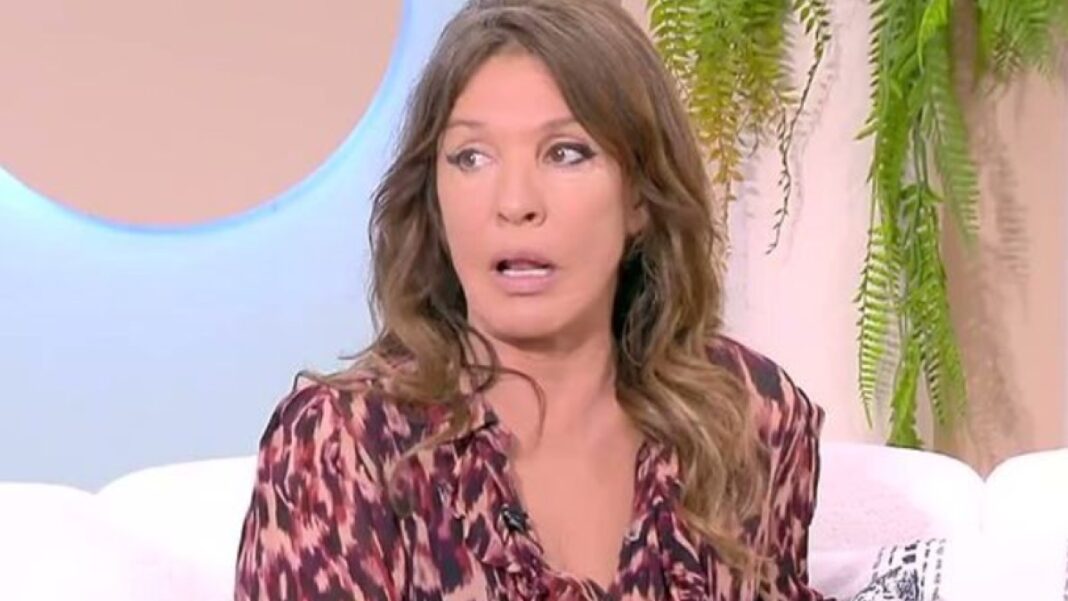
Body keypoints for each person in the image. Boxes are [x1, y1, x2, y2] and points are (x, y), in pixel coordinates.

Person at [234, 0, 827, 599]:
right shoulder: (341, 447)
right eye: (472, 157)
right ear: (434, 201)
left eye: (565, 152)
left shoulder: (743, 420)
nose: (515, 203)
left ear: (640, 198)